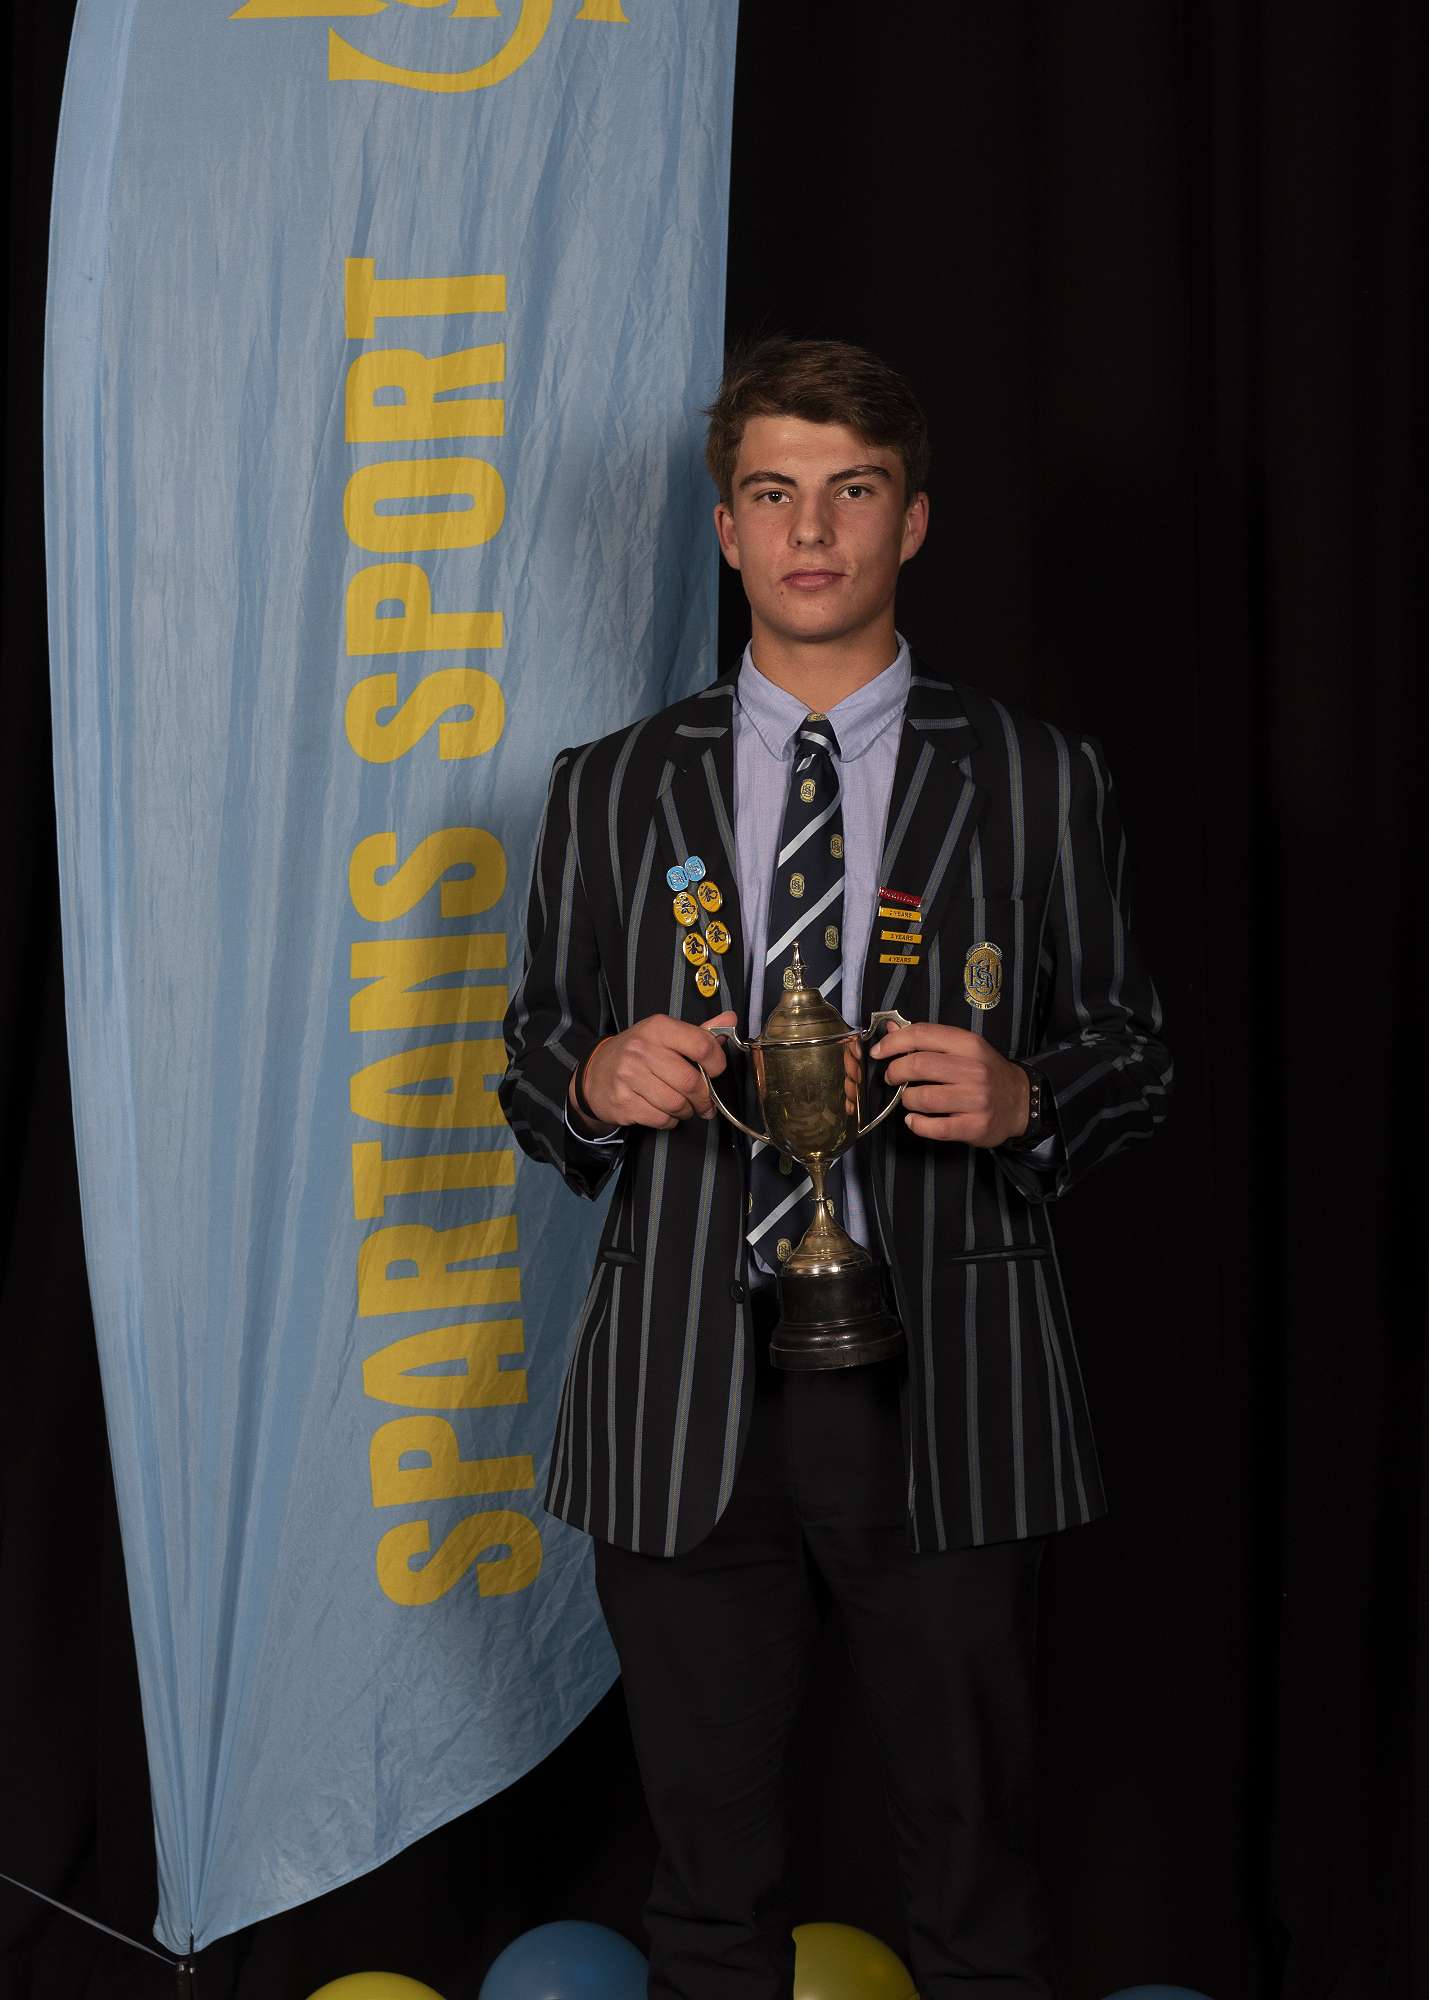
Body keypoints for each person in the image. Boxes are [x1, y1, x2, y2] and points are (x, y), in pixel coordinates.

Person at [499, 337, 1171, 2000]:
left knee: (976, 1878)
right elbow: (536, 1054)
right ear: (725, 527)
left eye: (851, 491)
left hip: (948, 1376)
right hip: (683, 1385)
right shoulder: (609, 786)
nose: (811, 530)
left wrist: (1027, 1096)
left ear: (911, 521)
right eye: (774, 493)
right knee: (705, 1888)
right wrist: (592, 1077)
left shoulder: (1035, 777)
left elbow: (1133, 1055)